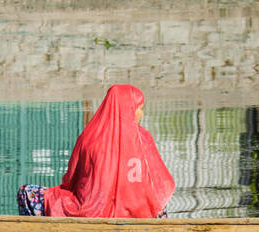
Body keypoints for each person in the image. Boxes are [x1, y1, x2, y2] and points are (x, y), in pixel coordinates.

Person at [17, 84, 175, 218]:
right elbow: (160, 184)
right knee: (158, 208)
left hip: (92, 211)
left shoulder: (89, 137)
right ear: (129, 110)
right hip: (139, 213)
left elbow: (70, 180)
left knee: (26, 192)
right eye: (139, 109)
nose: (142, 114)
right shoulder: (144, 138)